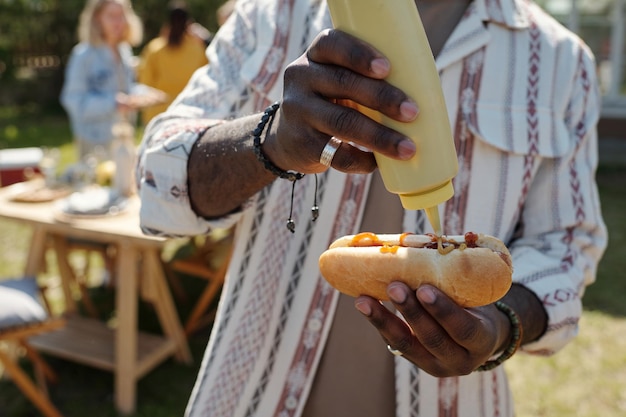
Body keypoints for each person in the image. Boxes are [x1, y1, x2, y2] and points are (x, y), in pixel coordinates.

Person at [136, 1, 608, 416]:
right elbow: (160, 185)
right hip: (251, 395)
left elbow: (565, 246)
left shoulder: (560, 61)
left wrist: (500, 327)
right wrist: (269, 140)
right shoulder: (274, 13)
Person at [60, 0, 143, 161]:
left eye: (121, 16)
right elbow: (73, 101)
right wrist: (113, 103)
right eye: (111, 16)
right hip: (95, 142)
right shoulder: (83, 55)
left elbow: (126, 88)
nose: (118, 22)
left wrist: (142, 94)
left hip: (124, 137)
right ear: (97, 18)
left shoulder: (124, 50)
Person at [137, 0, 209, 125]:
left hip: (157, 115)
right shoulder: (198, 49)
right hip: (190, 112)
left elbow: (145, 82)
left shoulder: (155, 48)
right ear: (188, 23)